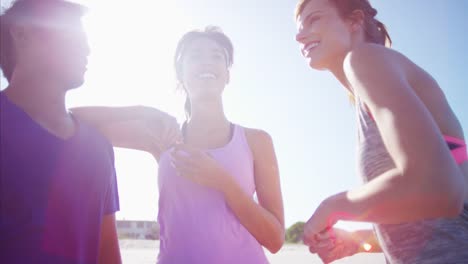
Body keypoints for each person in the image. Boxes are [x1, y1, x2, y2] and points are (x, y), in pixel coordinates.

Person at [73, 26, 285, 264]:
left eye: (217, 56)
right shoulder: (163, 136)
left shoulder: (256, 141)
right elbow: (70, 120)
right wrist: (141, 111)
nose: (207, 62)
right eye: (195, 56)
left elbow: (275, 239)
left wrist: (223, 182)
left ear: (227, 74)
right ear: (180, 74)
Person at [294, 0, 468, 263]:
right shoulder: (370, 88)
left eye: (314, 19)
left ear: (355, 21)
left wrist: (334, 206)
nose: (299, 35)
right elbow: (441, 218)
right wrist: (359, 241)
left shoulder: (365, 59)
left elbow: (439, 189)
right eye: (298, 27)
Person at [0, 0, 121, 263]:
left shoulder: (99, 147)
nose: (87, 48)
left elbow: (108, 255)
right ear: (21, 33)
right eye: (73, 34)